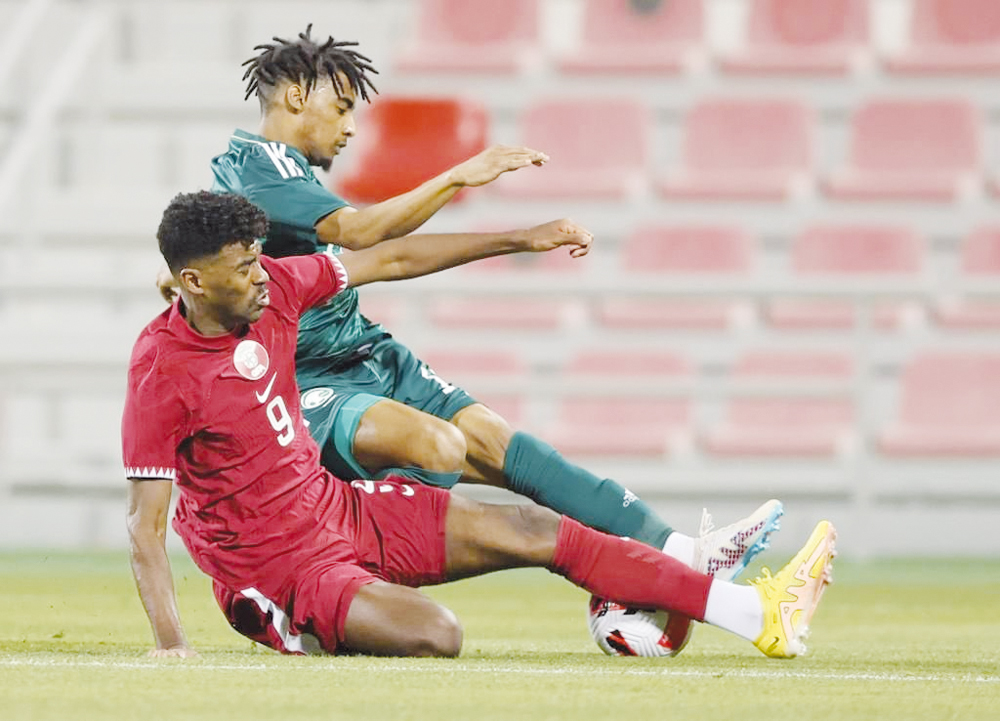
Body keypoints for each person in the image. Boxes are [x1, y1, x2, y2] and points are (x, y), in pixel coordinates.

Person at [157, 26, 784, 581]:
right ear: (296, 96)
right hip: (307, 383)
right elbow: (365, 234)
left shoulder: (287, 178)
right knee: (438, 447)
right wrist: (458, 175)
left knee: (499, 444)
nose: (350, 127)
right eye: (342, 107)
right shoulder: (258, 172)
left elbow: (392, 258)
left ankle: (681, 554)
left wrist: (517, 238)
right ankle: (338, 573)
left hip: (367, 355)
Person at [127, 192, 836, 659]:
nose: (261, 274)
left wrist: (518, 239)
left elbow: (391, 257)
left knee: (535, 527)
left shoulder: (275, 288)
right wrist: (170, 643)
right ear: (193, 282)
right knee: (438, 635)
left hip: (338, 509)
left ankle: (758, 613)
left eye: (258, 258)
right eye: (243, 266)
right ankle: (294, 623)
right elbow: (145, 526)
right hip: (277, 566)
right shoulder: (162, 372)